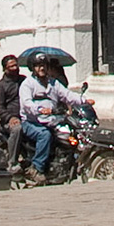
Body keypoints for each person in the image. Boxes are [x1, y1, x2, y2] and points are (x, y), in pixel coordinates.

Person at [18, 55, 78, 183]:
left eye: (44, 65)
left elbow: (67, 95)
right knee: (44, 135)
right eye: (38, 66)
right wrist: (39, 109)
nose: (42, 68)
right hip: (31, 122)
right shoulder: (27, 84)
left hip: (51, 120)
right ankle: (36, 168)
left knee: (68, 132)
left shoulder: (53, 83)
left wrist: (83, 101)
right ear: (33, 68)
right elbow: (27, 103)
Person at [0, 54, 25, 150]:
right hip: (11, 120)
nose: (15, 68)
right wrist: (10, 118)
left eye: (16, 65)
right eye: (11, 66)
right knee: (17, 129)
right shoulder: (0, 86)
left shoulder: (24, 81)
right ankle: (13, 161)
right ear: (5, 68)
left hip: (27, 116)